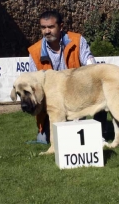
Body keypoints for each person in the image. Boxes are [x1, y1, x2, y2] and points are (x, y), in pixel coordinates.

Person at [27, 11, 107, 144]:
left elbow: (91, 66)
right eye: (43, 27)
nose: (47, 31)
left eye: (51, 27)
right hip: (53, 104)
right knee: (44, 140)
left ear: (61, 26)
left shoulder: (77, 40)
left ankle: (99, 134)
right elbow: (33, 85)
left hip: (79, 96)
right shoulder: (34, 52)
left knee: (100, 89)